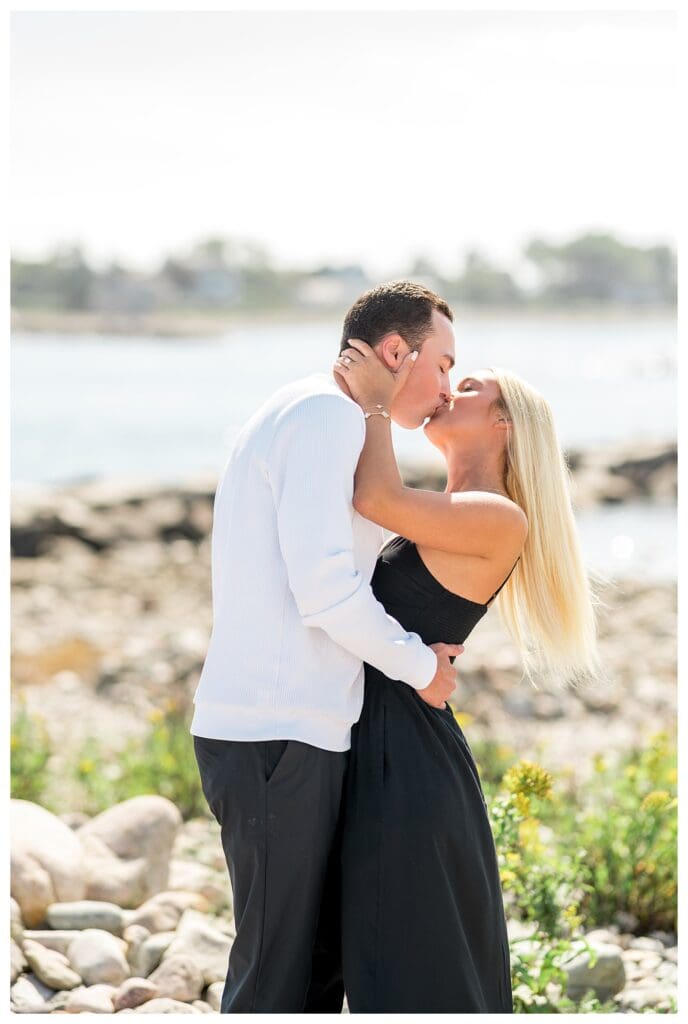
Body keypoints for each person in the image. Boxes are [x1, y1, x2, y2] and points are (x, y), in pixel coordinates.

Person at [190, 282, 465, 1013]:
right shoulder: (325, 416)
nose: (445, 388)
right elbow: (324, 587)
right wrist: (419, 668)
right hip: (275, 733)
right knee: (277, 975)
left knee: (309, 967)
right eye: (441, 364)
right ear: (394, 351)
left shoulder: (315, 410)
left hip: (282, 729)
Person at [333, 340, 601, 1013]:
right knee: (385, 956)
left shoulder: (497, 517)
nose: (447, 387)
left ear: (504, 422)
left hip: (408, 759)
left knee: (414, 966)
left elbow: (372, 494)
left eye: (468, 382)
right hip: (386, 740)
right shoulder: (452, 507)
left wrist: (374, 391)